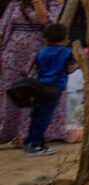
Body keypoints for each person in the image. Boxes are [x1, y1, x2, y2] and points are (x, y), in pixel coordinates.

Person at [0, 0, 65, 146]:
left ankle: (26, 135)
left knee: (33, 92)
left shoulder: (55, 3)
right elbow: (3, 27)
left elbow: (47, 22)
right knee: (11, 90)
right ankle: (8, 132)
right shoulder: (15, 3)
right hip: (12, 52)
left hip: (38, 52)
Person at [24, 23, 77, 157]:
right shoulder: (67, 52)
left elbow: (36, 68)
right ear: (66, 38)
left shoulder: (41, 51)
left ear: (45, 38)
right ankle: (36, 145)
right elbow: (70, 70)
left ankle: (31, 141)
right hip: (55, 88)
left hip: (40, 86)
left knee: (36, 115)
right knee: (45, 117)